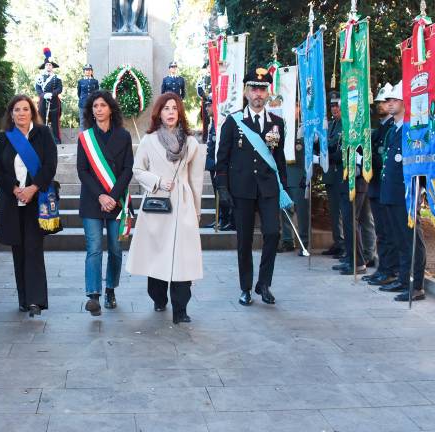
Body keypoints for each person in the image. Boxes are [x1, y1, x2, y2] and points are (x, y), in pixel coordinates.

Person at [126, 92, 205, 324]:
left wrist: (197, 211)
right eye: (166, 108)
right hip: (158, 204)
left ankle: (181, 309)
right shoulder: (149, 141)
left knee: (184, 258)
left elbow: (196, 180)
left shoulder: (191, 143)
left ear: (180, 112)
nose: (170, 112)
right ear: (159, 113)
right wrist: (157, 181)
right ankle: (158, 297)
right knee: (157, 255)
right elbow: (137, 170)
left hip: (182, 204)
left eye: (174, 108)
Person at [216, 68, 287, 306]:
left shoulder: (277, 123)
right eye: (254, 89)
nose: (258, 93)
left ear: (268, 93)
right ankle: (245, 287)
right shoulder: (234, 121)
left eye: (262, 89)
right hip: (242, 189)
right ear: (246, 92)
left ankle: (264, 284)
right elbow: (222, 158)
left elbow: (278, 160)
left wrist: (283, 190)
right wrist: (222, 188)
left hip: (268, 189)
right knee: (244, 240)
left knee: (272, 233)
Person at [0, 95, 57, 317]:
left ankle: (36, 301)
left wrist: (32, 188)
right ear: (11, 114)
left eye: (25, 109)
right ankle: (23, 298)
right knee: (18, 250)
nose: (21, 113)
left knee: (33, 249)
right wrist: (14, 188)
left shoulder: (43, 134)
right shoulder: (3, 139)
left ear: (32, 112)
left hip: (35, 201)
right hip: (12, 202)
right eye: (17, 109)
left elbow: (50, 165)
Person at [76, 90, 133, 316]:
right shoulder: (86, 138)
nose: (98, 109)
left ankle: (110, 288)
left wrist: (112, 195)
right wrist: (101, 195)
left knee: (116, 249)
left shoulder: (124, 136)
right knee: (94, 248)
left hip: (116, 200)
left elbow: (128, 168)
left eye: (102, 105)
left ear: (110, 108)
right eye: (95, 106)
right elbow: (82, 170)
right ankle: (93, 295)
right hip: (92, 201)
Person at [378, 82, 427, 301]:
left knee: (411, 239)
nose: (389, 104)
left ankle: (415, 284)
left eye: (394, 100)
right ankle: (402, 277)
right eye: (387, 101)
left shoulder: (412, 129)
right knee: (398, 238)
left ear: (405, 103)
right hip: (391, 191)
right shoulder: (393, 129)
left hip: (405, 192)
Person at [331, 89, 372, 276]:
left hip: (356, 181)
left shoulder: (360, 131)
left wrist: (329, 157)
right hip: (345, 180)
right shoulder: (347, 129)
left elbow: (353, 154)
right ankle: (351, 258)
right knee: (349, 221)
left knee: (351, 221)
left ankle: (358, 261)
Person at [364, 83, 398, 286]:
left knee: (387, 232)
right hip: (376, 184)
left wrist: (369, 161)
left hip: (385, 184)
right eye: (379, 102)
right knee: (382, 232)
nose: (381, 105)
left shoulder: (391, 128)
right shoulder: (381, 128)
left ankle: (389, 269)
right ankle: (383, 268)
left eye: (386, 101)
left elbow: (383, 157)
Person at [279, 106, 309, 255]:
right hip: (284, 174)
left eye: (295, 105)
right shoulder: (281, 125)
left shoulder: (303, 126)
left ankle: (304, 242)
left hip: (299, 175)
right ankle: (287, 240)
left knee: (302, 211)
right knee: (285, 210)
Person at [321, 92, 345, 257]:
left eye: (337, 105)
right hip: (330, 172)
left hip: (340, 171)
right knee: (334, 210)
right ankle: (338, 241)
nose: (334, 108)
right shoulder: (330, 125)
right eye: (332, 105)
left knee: (343, 211)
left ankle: (344, 244)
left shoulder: (345, 125)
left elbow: (334, 145)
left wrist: (325, 149)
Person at [35, 49, 63, 144]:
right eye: (47, 65)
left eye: (50, 65)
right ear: (44, 66)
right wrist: (44, 95)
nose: (48, 66)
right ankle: (41, 139)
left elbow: (60, 89)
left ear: (52, 67)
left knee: (55, 122)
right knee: (41, 121)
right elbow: (38, 89)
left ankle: (56, 140)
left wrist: (52, 94)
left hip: (54, 101)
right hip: (43, 102)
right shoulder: (39, 77)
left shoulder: (57, 77)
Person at [77, 64, 99, 130]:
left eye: (89, 70)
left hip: (92, 104)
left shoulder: (95, 81)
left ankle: (92, 138)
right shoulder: (80, 81)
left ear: (92, 72)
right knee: (82, 122)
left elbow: (96, 92)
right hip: (82, 104)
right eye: (86, 70)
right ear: (84, 72)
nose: (88, 71)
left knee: (92, 121)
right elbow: (79, 93)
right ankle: (82, 139)